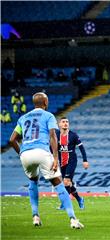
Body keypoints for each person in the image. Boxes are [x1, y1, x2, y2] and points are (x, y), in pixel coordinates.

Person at [9, 92, 84, 228]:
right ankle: (73, 219)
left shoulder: (23, 117)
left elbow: (12, 140)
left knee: (33, 181)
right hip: (42, 151)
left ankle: (35, 216)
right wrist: (55, 158)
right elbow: (53, 137)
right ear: (45, 102)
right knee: (59, 184)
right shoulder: (48, 116)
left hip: (26, 153)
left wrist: (21, 153)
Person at [56, 117, 89, 210]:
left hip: (72, 161)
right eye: (63, 122)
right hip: (62, 162)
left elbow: (81, 148)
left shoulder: (73, 135)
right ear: (59, 124)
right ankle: (79, 199)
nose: (65, 123)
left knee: (66, 181)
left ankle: (64, 203)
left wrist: (85, 160)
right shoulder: (56, 135)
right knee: (68, 183)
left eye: (67, 122)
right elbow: (52, 148)